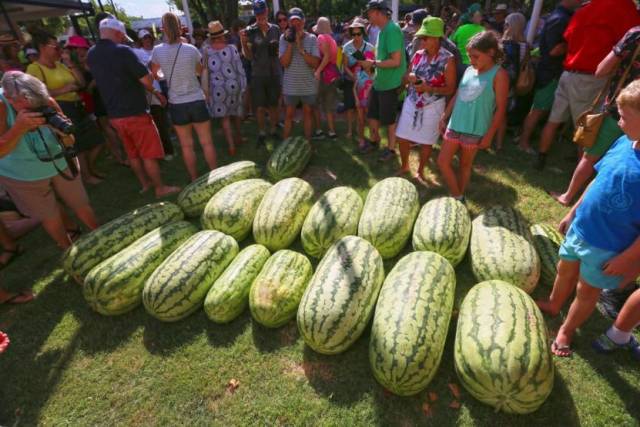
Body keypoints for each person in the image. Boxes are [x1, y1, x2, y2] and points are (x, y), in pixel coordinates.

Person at [536, 80, 640, 358]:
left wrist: (628, 258)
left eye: (624, 117)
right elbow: (598, 182)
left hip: (608, 245)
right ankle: (554, 304)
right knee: (564, 269)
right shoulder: (623, 143)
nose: (618, 122)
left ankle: (567, 330)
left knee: (587, 291)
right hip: (582, 228)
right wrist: (573, 211)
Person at [534, 0, 640, 170]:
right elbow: (630, 39)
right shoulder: (622, 7)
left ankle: (541, 157)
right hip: (591, 76)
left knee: (554, 119)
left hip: (568, 72)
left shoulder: (585, 8)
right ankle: (579, 170)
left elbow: (568, 37)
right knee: (586, 126)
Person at [0, 71, 98, 248]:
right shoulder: (2, 105)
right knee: (49, 215)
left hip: (59, 161)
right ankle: (69, 253)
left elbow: (69, 141)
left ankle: (101, 237)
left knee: (80, 202)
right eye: (28, 107)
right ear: (9, 97)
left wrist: (64, 135)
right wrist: (19, 128)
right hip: (22, 173)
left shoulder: (43, 100)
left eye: (38, 105)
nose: (36, 109)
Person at [88, 18, 180, 197]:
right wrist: (155, 88)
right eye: (122, 36)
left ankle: (145, 185)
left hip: (114, 115)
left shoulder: (92, 53)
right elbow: (146, 79)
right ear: (117, 33)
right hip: (135, 111)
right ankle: (160, 188)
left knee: (132, 153)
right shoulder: (123, 51)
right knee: (148, 153)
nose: (123, 39)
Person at [550, 26, 640, 206]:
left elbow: (601, 69)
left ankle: (568, 196)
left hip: (620, 111)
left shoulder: (636, 34)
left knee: (590, 156)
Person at [437, 31, 509, 203]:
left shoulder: (499, 75)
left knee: (465, 165)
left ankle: (459, 196)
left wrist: (489, 135)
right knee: (442, 161)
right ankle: (458, 196)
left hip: (475, 130)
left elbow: (500, 109)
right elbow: (458, 94)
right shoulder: (469, 70)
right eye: (469, 56)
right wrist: (444, 116)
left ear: (491, 52)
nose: (472, 61)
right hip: (455, 124)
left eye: (476, 56)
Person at [28, 31, 106, 185]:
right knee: (79, 146)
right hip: (62, 109)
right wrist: (63, 90)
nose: (59, 50)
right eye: (55, 47)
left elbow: (81, 83)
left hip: (78, 106)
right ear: (42, 48)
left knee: (98, 140)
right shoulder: (34, 68)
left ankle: (88, 169)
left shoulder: (60, 65)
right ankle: (86, 176)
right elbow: (36, 95)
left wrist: (70, 64)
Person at [151, 12, 216, 182]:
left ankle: (194, 179)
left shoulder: (157, 51)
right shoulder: (191, 49)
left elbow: (155, 75)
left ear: (162, 29)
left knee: (187, 146)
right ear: (180, 27)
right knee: (207, 143)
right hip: (196, 99)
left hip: (176, 103)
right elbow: (200, 72)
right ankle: (216, 175)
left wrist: (165, 73)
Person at [397, 17, 456, 183]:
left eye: (425, 37)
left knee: (426, 141)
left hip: (433, 105)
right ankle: (405, 166)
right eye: (421, 37)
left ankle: (421, 171)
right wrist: (408, 78)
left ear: (437, 38)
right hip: (412, 101)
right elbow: (406, 75)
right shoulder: (417, 55)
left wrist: (429, 88)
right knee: (402, 136)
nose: (421, 40)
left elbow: (451, 88)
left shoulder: (448, 59)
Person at [516, 0, 578, 154]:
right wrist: (573, 42)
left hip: (549, 71)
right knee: (538, 109)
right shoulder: (560, 19)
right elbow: (553, 50)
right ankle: (523, 142)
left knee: (539, 109)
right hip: (550, 72)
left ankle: (522, 138)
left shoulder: (560, 16)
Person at [359, 0, 407, 160]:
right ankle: (374, 141)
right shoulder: (381, 30)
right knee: (372, 115)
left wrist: (372, 63)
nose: (367, 15)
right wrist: (371, 65)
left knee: (389, 119)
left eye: (369, 12)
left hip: (391, 83)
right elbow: (383, 58)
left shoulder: (392, 30)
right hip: (380, 82)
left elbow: (396, 61)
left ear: (378, 12)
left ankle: (391, 149)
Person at [240, 0, 282, 146]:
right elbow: (248, 56)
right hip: (258, 74)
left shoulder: (275, 29)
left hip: (274, 72)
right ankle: (262, 132)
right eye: (257, 14)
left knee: (273, 104)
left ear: (267, 12)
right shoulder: (250, 31)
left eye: (262, 12)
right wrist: (243, 42)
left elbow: (280, 50)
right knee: (259, 106)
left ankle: (273, 130)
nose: (260, 16)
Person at [203, 21, 246, 155]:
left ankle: (231, 145)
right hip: (233, 85)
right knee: (236, 113)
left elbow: (205, 72)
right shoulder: (232, 48)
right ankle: (239, 137)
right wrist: (244, 86)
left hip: (217, 88)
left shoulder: (206, 51)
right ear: (222, 35)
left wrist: (207, 91)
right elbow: (240, 69)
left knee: (225, 118)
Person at [279, 8, 320, 141]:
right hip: (290, 86)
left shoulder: (312, 38)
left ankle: (307, 144)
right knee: (289, 115)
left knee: (308, 114)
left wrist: (301, 48)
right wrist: (291, 44)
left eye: (298, 21)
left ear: (303, 21)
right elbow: (284, 63)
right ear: (289, 24)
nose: (296, 25)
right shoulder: (283, 39)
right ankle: (284, 145)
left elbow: (314, 63)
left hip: (307, 85)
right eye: (293, 22)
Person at [134, 28, 175, 161]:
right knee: (156, 121)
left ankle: (168, 144)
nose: (147, 40)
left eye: (148, 37)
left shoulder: (157, 49)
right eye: (144, 38)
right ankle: (163, 150)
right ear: (140, 41)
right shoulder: (137, 53)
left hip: (161, 84)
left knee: (164, 116)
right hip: (149, 89)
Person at [495, 12, 528, 150]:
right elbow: (524, 66)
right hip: (512, 84)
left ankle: (486, 139)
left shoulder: (502, 43)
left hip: (497, 81)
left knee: (491, 111)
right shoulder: (525, 46)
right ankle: (499, 144)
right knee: (502, 114)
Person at [342, 17, 375, 148]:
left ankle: (372, 136)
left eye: (359, 33)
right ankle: (359, 136)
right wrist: (354, 76)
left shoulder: (370, 47)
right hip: (353, 82)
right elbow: (345, 66)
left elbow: (373, 67)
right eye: (353, 34)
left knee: (369, 114)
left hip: (368, 84)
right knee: (356, 111)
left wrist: (366, 69)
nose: (356, 36)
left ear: (363, 33)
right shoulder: (347, 47)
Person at [313, 17, 340, 139]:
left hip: (324, 74)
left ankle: (319, 131)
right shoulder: (332, 39)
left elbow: (327, 56)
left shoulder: (321, 38)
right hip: (333, 74)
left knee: (316, 103)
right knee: (329, 104)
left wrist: (318, 71)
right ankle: (332, 131)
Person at [450, 3, 484, 69]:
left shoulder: (460, 29)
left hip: (461, 64)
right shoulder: (483, 30)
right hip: (476, 65)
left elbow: (451, 42)